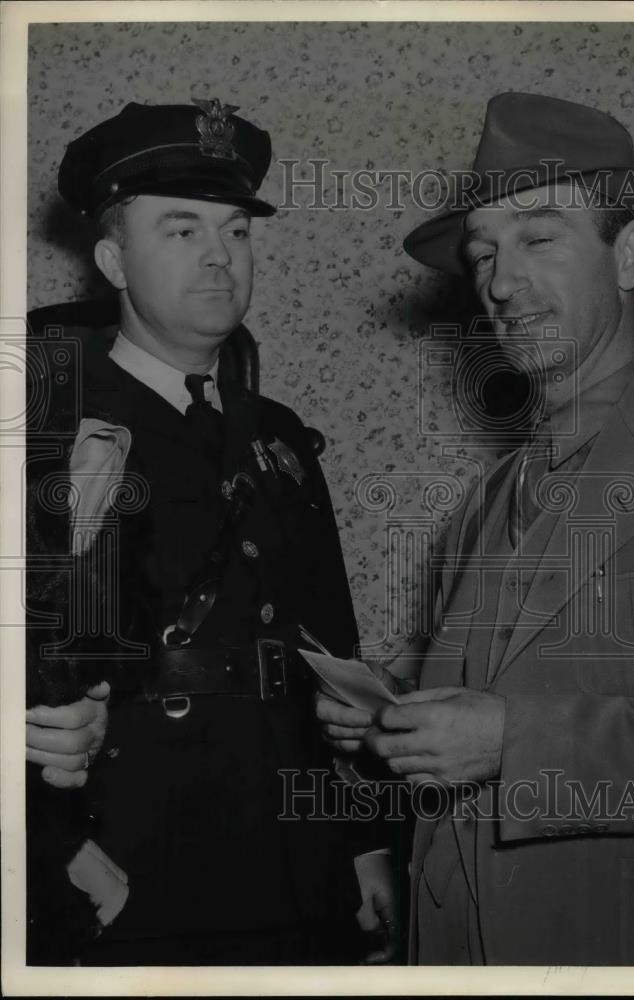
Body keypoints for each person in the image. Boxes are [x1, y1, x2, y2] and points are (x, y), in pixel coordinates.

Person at [316, 93, 634, 965]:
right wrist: (391, 716)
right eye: (483, 254)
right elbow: (506, 688)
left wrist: (514, 744)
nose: (500, 284)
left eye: (539, 239)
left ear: (627, 254)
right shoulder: (485, 499)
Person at [24, 98, 396, 965]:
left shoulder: (277, 437)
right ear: (114, 258)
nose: (220, 260)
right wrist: (49, 855)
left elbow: (330, 650)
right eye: (181, 231)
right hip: (131, 867)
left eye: (235, 233)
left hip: (300, 866)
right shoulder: (44, 431)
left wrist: (367, 839)